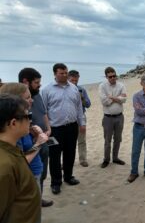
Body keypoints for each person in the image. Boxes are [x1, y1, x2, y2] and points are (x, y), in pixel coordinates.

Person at [42, 63, 85, 195]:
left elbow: (78, 107)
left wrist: (81, 123)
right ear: (55, 74)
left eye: (66, 72)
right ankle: (56, 182)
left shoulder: (73, 88)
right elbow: (44, 111)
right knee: (54, 156)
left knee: (70, 153)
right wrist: (47, 129)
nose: (65, 75)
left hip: (71, 127)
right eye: (62, 73)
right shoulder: (47, 90)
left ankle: (68, 177)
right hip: (54, 129)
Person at [0, 93, 41, 223]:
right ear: (13, 123)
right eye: (28, 116)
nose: (30, 120)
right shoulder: (4, 166)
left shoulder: (10, 148)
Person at [18, 68, 54, 207]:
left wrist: (48, 128)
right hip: (32, 144)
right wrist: (35, 138)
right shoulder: (16, 105)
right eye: (37, 82)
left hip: (42, 140)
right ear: (25, 82)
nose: (39, 85)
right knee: (31, 177)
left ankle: (39, 198)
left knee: (41, 172)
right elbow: (21, 161)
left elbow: (44, 112)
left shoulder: (37, 95)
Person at [99, 67, 127, 168]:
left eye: (114, 76)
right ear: (106, 77)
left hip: (119, 117)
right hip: (108, 118)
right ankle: (106, 159)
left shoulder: (121, 85)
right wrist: (118, 98)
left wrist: (112, 97)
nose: (112, 78)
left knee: (118, 139)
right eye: (110, 76)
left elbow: (124, 99)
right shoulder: (102, 86)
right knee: (107, 140)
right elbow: (104, 102)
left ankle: (115, 158)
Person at [68, 70, 91, 167]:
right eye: (72, 80)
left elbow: (88, 104)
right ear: (68, 79)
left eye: (76, 81)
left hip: (81, 116)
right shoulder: (65, 90)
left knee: (81, 140)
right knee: (68, 141)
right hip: (69, 118)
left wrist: (82, 98)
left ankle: (83, 159)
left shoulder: (82, 90)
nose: (74, 83)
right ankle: (67, 160)